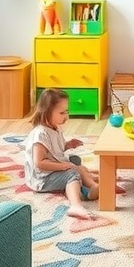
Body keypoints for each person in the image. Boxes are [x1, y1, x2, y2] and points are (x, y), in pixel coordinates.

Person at [24, 88, 99, 220]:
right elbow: (40, 163)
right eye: (62, 113)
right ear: (47, 112)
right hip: (42, 179)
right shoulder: (40, 134)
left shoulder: (55, 128)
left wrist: (67, 145)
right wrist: (64, 166)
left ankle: (91, 186)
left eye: (67, 112)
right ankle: (75, 205)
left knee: (76, 164)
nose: (66, 116)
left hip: (52, 171)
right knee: (72, 172)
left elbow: (54, 151)